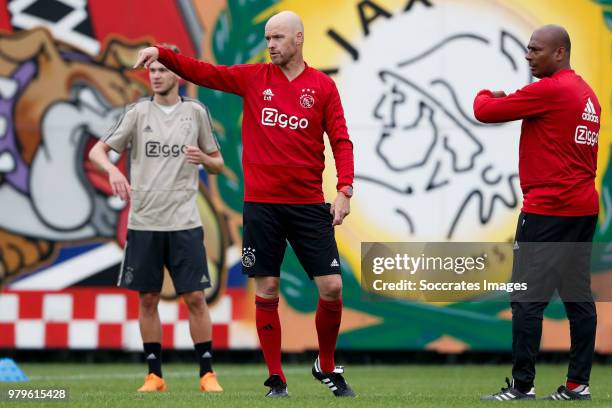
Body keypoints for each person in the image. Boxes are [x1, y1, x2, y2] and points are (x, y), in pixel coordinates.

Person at [133, 10, 355, 398]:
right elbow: (203, 72)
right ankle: (276, 378)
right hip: (262, 206)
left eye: (278, 38)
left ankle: (325, 362)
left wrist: (344, 190)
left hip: (307, 204)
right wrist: (162, 53)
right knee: (267, 288)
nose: (270, 45)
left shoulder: (322, 87)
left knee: (332, 287)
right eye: (267, 38)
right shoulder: (253, 79)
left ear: (299, 39)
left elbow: (341, 140)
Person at [474, 25, 601, 401]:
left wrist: (487, 93)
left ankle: (522, 385)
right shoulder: (586, 94)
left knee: (526, 300)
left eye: (535, 49)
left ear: (559, 53)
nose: (528, 55)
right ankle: (578, 384)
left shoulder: (551, 90)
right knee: (578, 298)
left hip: (548, 211)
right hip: (581, 209)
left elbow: (485, 111)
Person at [89, 45, 225, 393]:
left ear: (177, 74)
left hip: (185, 222)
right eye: (152, 70)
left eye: (163, 69)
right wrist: (112, 173)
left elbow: (218, 162)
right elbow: (97, 151)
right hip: (144, 223)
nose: (156, 75)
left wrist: (203, 159)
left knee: (195, 298)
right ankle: (154, 375)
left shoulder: (195, 113)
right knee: (147, 299)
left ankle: (207, 374)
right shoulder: (137, 114)